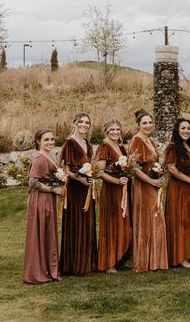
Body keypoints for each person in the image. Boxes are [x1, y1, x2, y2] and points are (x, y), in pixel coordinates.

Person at [129, 109, 168, 272]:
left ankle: (156, 260)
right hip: (143, 186)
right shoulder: (136, 140)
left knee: (156, 218)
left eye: (150, 122)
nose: (148, 125)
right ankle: (144, 260)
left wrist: (159, 174)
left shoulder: (150, 141)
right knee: (146, 220)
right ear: (138, 125)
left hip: (152, 184)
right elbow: (133, 167)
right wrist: (151, 180)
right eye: (144, 123)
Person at [59, 112, 97, 276]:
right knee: (76, 222)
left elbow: (91, 164)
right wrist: (79, 179)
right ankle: (74, 264)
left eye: (87, 122)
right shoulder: (69, 143)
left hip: (87, 187)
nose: (84, 125)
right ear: (74, 123)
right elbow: (66, 168)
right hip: (75, 189)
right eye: (81, 122)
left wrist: (91, 177)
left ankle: (87, 262)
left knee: (88, 223)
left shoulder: (88, 143)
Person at [23, 129, 63, 284]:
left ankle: (47, 268)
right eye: (46, 140)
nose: (50, 142)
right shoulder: (39, 159)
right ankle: (38, 271)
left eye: (52, 139)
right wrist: (53, 189)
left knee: (48, 232)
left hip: (47, 199)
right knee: (41, 232)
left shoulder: (48, 156)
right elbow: (33, 182)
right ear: (38, 141)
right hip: (41, 199)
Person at [95, 119, 132, 273]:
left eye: (118, 129)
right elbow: (99, 172)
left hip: (123, 190)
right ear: (106, 132)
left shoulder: (122, 148)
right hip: (111, 191)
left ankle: (119, 258)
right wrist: (117, 181)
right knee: (111, 225)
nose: (115, 132)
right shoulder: (104, 147)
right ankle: (108, 262)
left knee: (123, 223)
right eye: (112, 130)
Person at [164, 118, 190, 268]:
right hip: (179, 188)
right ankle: (179, 256)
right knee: (179, 220)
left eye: (188, 128)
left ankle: (187, 252)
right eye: (183, 128)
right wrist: (188, 180)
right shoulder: (173, 148)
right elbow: (171, 168)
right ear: (177, 130)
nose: (186, 131)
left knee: (188, 219)